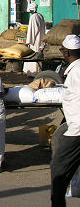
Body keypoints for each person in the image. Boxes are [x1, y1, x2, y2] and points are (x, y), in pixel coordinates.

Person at [50, 35, 80, 207]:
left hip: (77, 131)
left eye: (62, 49)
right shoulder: (73, 71)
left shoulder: (76, 72)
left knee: (58, 169)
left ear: (66, 52)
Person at [23, 3, 46, 76]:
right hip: (41, 39)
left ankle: (32, 73)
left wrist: (28, 41)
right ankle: (38, 71)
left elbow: (32, 31)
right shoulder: (40, 16)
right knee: (38, 55)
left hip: (35, 41)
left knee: (33, 56)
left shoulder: (33, 17)